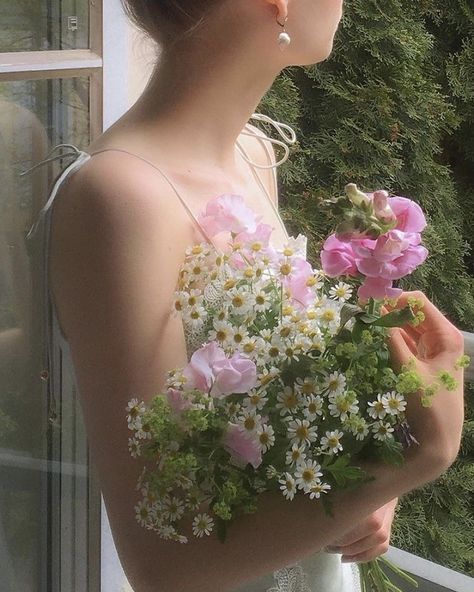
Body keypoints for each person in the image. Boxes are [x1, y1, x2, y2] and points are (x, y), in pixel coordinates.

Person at [39, 1, 466, 590]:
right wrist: (423, 457)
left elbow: (268, 412)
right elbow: (165, 565)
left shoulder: (254, 154)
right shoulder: (122, 200)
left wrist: (359, 481)